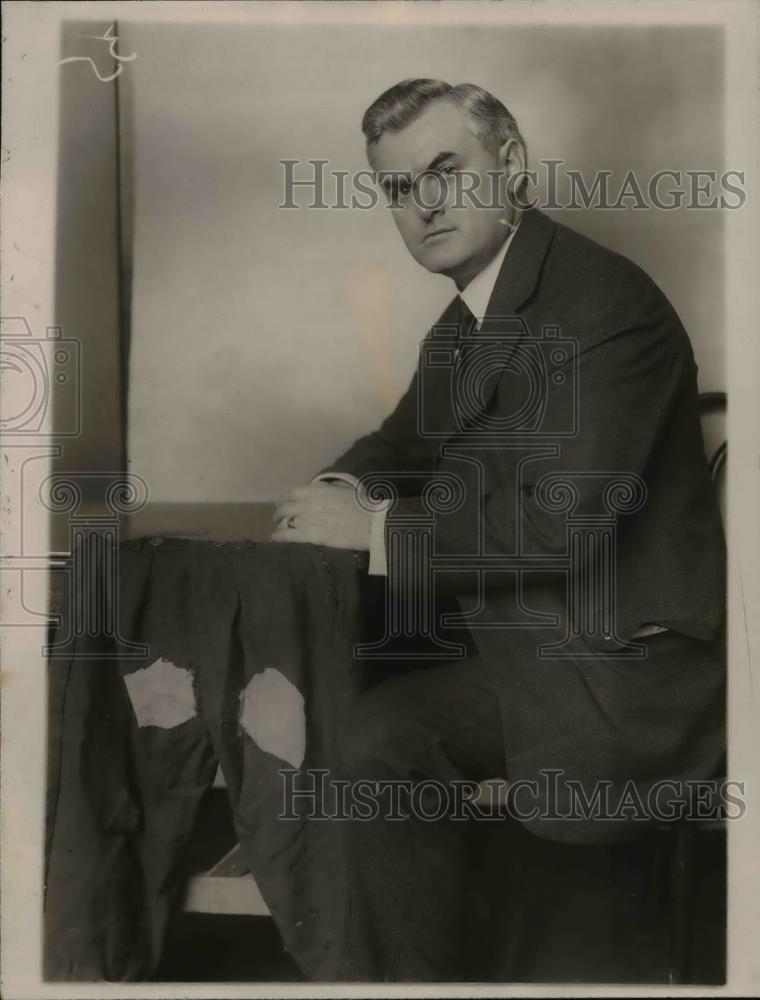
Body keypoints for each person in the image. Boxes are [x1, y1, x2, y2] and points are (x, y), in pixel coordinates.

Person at [272, 79, 726, 981]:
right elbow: (401, 443)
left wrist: (368, 532)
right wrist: (332, 489)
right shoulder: (471, 318)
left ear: (511, 167)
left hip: (620, 675)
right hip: (530, 646)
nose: (424, 204)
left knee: (365, 704)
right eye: (399, 188)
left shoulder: (602, 305)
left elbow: (564, 530)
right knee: (367, 737)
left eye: (445, 169)